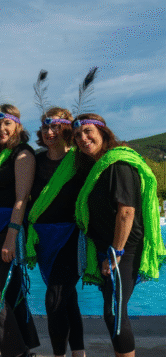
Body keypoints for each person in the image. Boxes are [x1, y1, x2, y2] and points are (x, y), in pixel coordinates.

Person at [73, 113, 165, 356]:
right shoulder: (98, 167)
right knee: (112, 310)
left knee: (114, 311)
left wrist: (116, 252)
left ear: (103, 132)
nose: (83, 138)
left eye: (88, 131)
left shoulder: (118, 164)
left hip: (124, 249)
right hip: (108, 248)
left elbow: (126, 212)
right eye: (78, 135)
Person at [24, 108, 85, 357]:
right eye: (45, 128)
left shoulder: (80, 161)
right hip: (43, 240)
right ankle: (79, 354)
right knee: (68, 301)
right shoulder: (36, 161)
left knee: (55, 298)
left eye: (56, 127)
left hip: (70, 237)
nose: (49, 132)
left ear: (68, 129)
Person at [0, 104, 39, 357]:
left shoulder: (23, 153)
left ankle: (15, 352)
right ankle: (26, 345)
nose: (1, 129)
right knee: (11, 289)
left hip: (9, 228)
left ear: (17, 125)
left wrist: (11, 236)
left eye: (7, 123)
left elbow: (22, 198)